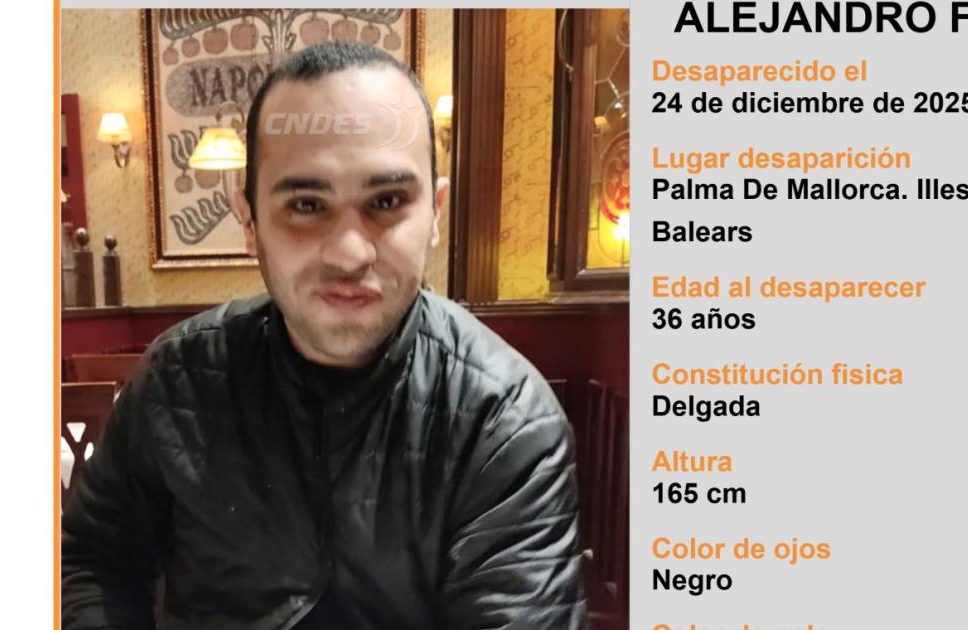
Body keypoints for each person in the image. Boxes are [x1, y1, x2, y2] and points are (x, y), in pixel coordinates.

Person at [62, 41, 586, 630]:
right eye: (307, 205)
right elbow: (92, 560)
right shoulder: (175, 381)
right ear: (248, 219)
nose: (349, 253)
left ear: (436, 213)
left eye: (386, 201)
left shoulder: (505, 418)